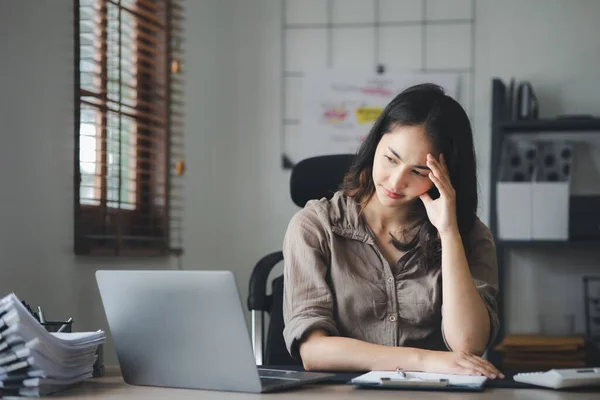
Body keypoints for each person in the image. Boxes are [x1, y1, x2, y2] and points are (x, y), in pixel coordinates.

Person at [282, 83, 504, 379]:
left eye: (418, 172)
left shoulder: (471, 236)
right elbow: (313, 351)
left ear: (446, 176)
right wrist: (423, 360)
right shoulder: (315, 226)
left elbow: (467, 344)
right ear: (375, 144)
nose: (396, 182)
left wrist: (449, 233)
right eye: (391, 159)